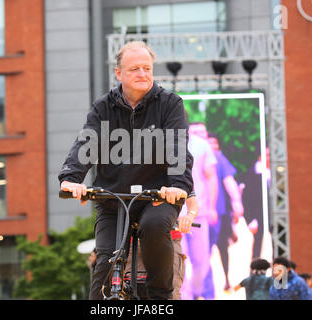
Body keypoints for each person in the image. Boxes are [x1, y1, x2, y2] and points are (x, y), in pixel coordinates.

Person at [58, 41, 194, 300]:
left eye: (147, 68)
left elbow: (178, 146)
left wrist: (178, 185)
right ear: (119, 73)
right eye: (135, 69)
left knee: (154, 227)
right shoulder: (103, 107)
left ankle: (160, 297)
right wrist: (71, 178)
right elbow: (87, 143)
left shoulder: (170, 104)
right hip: (113, 198)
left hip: (158, 196)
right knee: (105, 265)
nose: (143, 74)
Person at [203, 131, 244, 296]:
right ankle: (209, 288)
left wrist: (236, 202)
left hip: (218, 213)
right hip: (205, 213)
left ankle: (223, 281)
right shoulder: (208, 156)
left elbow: (229, 182)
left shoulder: (217, 157)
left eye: (215, 144)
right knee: (206, 253)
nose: (213, 147)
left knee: (219, 249)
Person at [180, 123, 218, 300]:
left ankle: (195, 292)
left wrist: (211, 206)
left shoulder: (202, 146)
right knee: (179, 259)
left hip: (199, 212)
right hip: (174, 214)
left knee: (202, 261)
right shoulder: (166, 144)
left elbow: (211, 178)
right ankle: (185, 296)